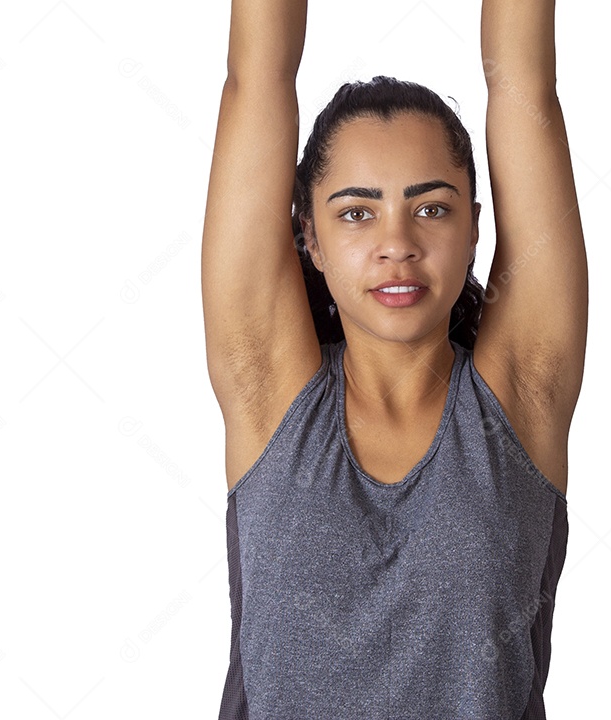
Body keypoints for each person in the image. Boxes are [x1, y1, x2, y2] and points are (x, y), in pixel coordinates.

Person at [200, 1, 587, 717]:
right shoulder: (267, 393)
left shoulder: (525, 394)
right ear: (308, 238)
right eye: (355, 212)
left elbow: (524, 84)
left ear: (477, 225)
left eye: (432, 208)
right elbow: (256, 78)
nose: (397, 242)